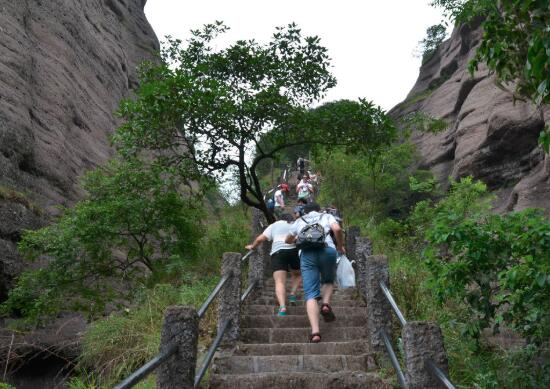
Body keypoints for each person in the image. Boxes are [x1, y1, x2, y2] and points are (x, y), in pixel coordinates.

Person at [285, 202, 345, 343]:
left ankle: (315, 332)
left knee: (310, 293)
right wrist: (340, 246)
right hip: (327, 250)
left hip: (307, 254)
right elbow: (337, 229)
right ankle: (325, 303)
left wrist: (299, 238)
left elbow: (287, 240)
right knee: (329, 280)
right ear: (319, 209)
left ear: (304, 211)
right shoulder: (327, 216)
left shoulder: (299, 220)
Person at [246, 213, 301, 316]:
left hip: (278, 252)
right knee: (298, 274)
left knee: (279, 282)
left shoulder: (273, 225)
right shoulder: (295, 224)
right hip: (293, 251)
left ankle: (283, 308)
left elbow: (259, 239)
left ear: (279, 218)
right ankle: (292, 294)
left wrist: (253, 247)